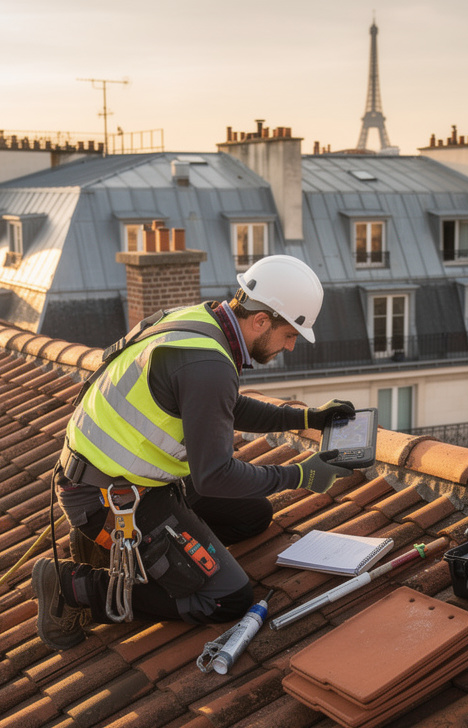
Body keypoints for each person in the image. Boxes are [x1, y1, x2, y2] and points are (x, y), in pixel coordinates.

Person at [34, 254, 358, 649]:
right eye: (290, 334)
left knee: (252, 515)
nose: (290, 346)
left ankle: (153, 551)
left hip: (123, 476)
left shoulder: (201, 322)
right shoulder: (207, 364)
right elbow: (215, 475)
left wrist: (306, 417)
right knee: (225, 598)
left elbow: (224, 406)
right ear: (261, 320)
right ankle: (71, 587)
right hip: (109, 498)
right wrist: (302, 475)